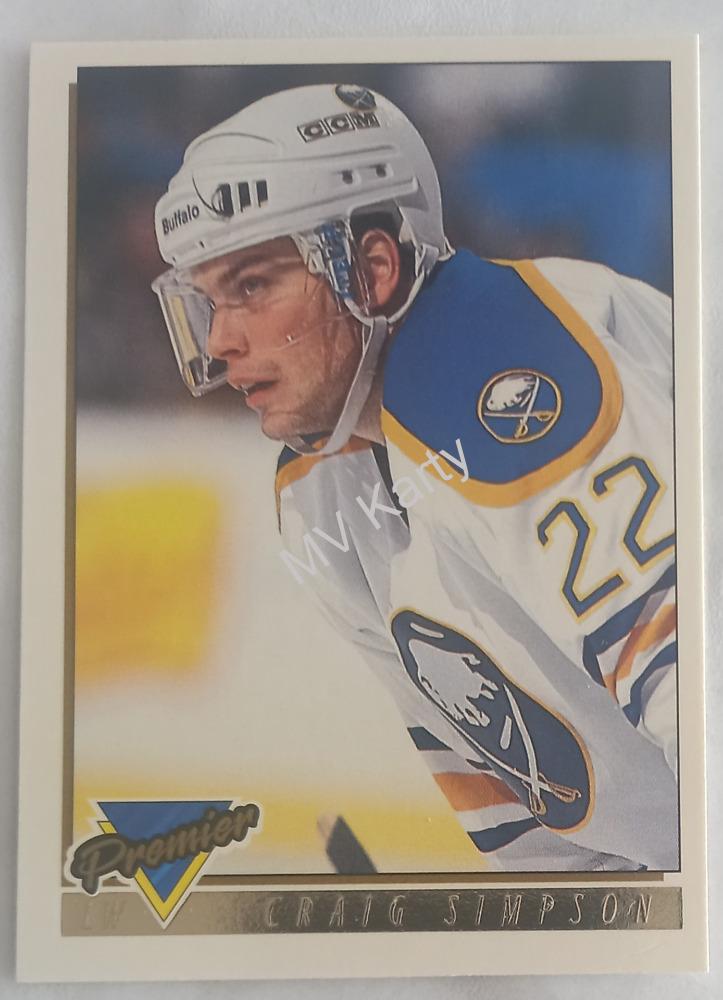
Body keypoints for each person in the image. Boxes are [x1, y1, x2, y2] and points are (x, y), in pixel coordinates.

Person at [152, 83, 678, 872]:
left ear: (371, 270)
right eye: (207, 300)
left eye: (253, 286)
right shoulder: (319, 488)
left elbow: (694, 687)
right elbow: (537, 819)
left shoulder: (502, 369)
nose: (221, 339)